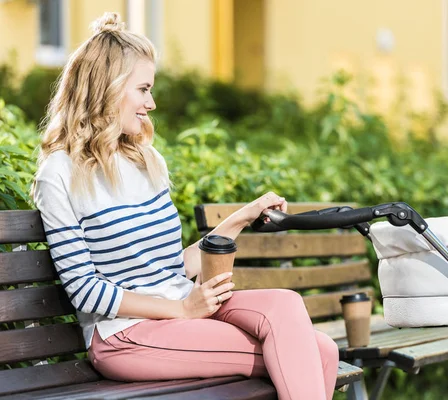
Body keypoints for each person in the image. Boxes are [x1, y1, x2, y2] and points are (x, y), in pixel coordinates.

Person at [32, 12, 338, 400]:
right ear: (108, 88)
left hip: (181, 310)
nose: (152, 103)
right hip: (125, 334)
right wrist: (182, 310)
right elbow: (84, 290)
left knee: (295, 314)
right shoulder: (60, 173)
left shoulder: (146, 160)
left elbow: (172, 266)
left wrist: (240, 218)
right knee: (315, 352)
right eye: (143, 89)